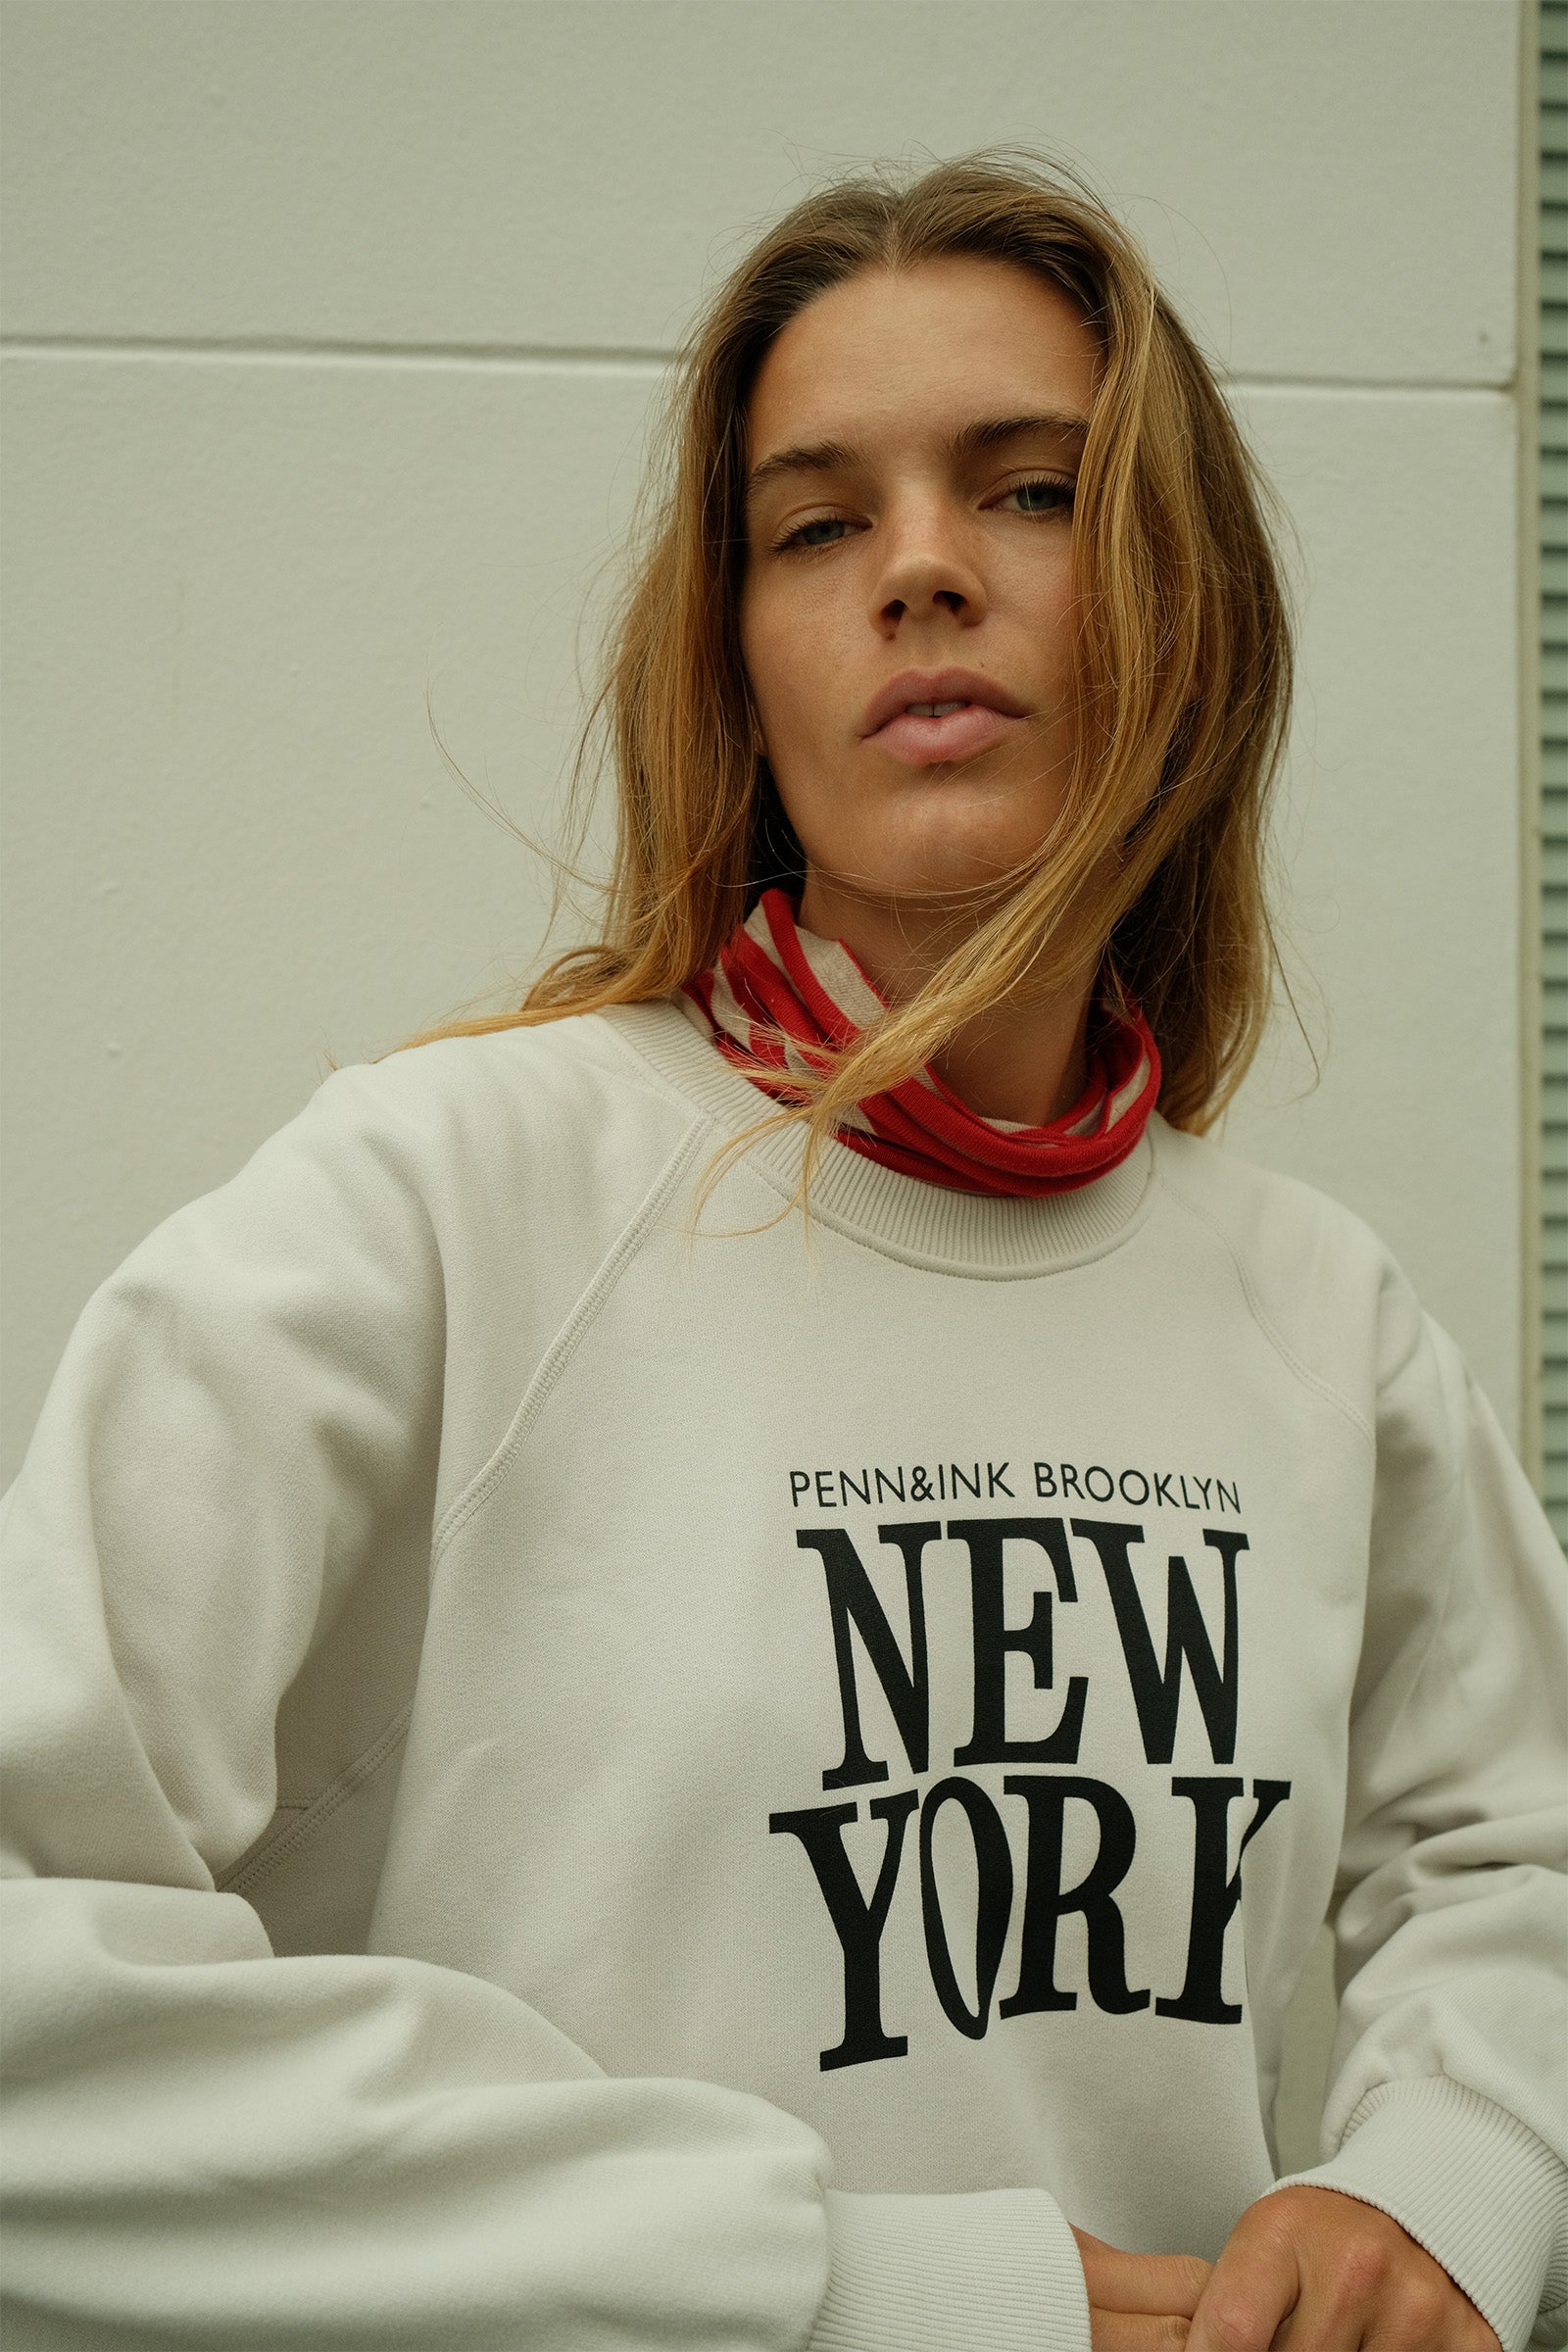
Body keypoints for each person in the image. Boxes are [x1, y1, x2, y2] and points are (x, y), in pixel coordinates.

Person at [1, 151, 1562, 2352]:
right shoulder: (442, 1201)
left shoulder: (1320, 1317)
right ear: (736, 662)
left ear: (1182, 599)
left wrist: (1442, 2183)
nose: (920, 567)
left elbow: (1517, 1851)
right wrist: (810, 2281)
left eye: (1030, 492)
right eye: (815, 524)